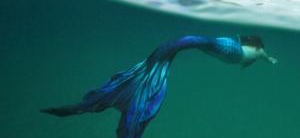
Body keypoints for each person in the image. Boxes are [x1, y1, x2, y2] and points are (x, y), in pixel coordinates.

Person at [41, 35, 277, 138]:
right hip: (231, 52)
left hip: (225, 49)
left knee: (191, 42)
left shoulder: (249, 50)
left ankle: (89, 104)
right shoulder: (256, 52)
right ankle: (168, 52)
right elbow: (263, 57)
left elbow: (258, 56)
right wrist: (270, 59)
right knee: (190, 42)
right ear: (257, 45)